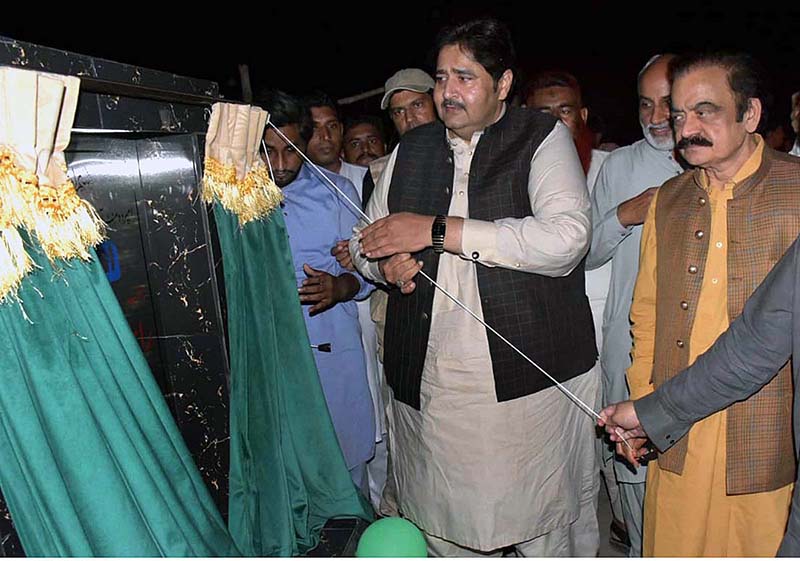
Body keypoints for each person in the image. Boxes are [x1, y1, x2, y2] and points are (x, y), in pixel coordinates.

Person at [350, 17, 599, 556]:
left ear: (503, 84)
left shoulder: (541, 135)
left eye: (465, 77)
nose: (448, 93)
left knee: (543, 519)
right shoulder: (410, 150)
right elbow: (361, 243)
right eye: (441, 78)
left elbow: (567, 239)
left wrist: (438, 231)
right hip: (432, 379)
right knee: (439, 520)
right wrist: (383, 267)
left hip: (529, 380)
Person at [622, 52, 800, 557]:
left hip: (767, 431)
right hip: (678, 426)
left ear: (750, 115)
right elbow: (647, 314)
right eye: (679, 115)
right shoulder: (668, 200)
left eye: (706, 111)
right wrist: (643, 408)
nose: (686, 127)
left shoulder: (797, 188)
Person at [598, 230, 800, 557]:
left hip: (764, 458)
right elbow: (750, 350)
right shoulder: (669, 201)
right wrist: (647, 412)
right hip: (682, 440)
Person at [585, 53, 683, 556]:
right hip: (629, 352)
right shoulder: (620, 165)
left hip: (698, 358)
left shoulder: (713, 159)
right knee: (637, 485)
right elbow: (586, 252)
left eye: (668, 102)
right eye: (646, 104)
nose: (656, 116)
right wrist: (626, 213)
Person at [261, 90, 375, 492]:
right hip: (270, 361)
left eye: (290, 151)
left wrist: (339, 286)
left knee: (347, 475)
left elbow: (367, 272)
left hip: (331, 353)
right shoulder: (235, 198)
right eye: (269, 151)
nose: (280, 164)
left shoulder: (337, 192)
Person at [526, 68, 619, 550]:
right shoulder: (520, 171)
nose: (556, 122)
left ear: (581, 115)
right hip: (556, 344)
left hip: (616, 332)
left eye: (564, 111)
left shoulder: (612, 167)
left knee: (613, 456)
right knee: (569, 465)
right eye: (543, 114)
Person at [302, 90, 367, 189]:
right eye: (315, 128)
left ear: (341, 130)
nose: (326, 136)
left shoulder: (366, 180)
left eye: (332, 126)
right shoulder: (289, 190)